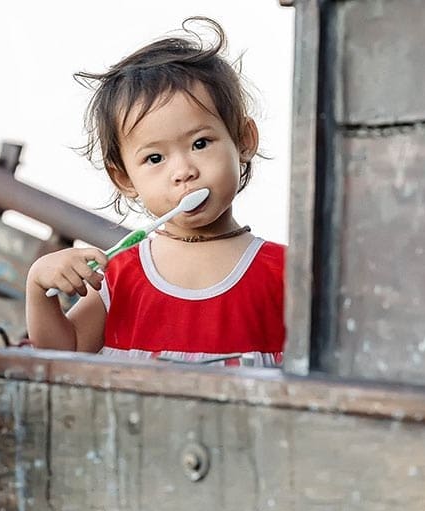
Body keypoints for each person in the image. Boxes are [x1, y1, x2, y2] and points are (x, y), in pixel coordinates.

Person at [25, 17, 285, 367]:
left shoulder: (287, 274)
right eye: (155, 158)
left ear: (243, 140)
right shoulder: (120, 275)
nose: (183, 172)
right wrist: (39, 291)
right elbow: (61, 357)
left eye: (200, 143)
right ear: (124, 179)